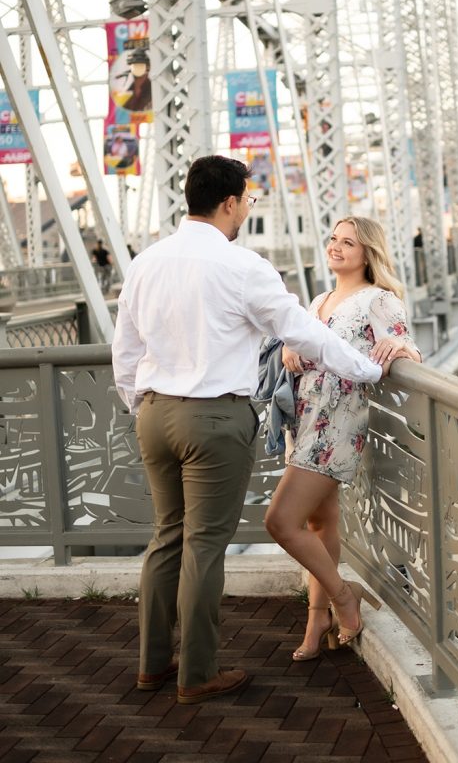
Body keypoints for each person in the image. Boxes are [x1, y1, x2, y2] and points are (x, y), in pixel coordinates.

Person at [111, 156, 389, 706]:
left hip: (154, 414)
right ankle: (198, 672)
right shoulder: (243, 267)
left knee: (167, 536)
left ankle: (152, 665)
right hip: (214, 418)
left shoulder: (147, 262)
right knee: (205, 546)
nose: (247, 210)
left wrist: (142, 402)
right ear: (231, 202)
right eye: (248, 200)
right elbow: (305, 333)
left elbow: (126, 351)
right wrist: (370, 368)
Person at [264, 216, 421, 661]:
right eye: (333, 238)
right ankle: (318, 617)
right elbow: (299, 342)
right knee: (319, 524)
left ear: (367, 252)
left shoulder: (379, 300)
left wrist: (402, 350)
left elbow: (407, 349)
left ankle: (343, 595)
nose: (336, 247)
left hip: (337, 426)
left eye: (348, 242)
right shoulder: (320, 300)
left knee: (280, 521)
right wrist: (287, 347)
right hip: (304, 419)